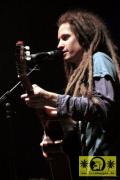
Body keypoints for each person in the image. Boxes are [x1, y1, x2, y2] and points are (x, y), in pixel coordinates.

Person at [21, 9, 120, 179]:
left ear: (83, 35)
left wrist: (51, 98)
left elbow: (102, 107)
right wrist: (55, 125)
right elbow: (87, 120)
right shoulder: (83, 72)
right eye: (59, 39)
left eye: (65, 37)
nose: (59, 45)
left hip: (110, 160)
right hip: (95, 161)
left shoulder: (99, 59)